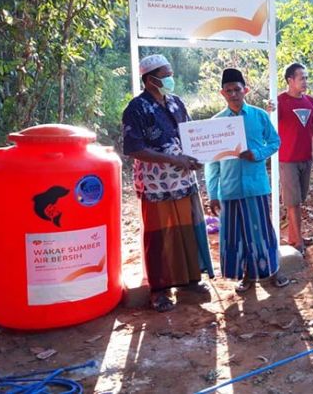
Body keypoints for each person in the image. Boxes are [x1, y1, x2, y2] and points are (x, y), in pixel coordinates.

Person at [122, 54, 214, 312]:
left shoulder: (176, 103)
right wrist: (171, 159)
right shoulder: (136, 109)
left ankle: (189, 282)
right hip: (155, 184)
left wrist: (196, 157)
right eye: (166, 75)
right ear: (150, 80)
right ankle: (160, 290)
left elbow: (190, 136)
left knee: (187, 229)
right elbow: (134, 149)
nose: (171, 79)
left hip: (184, 179)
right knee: (160, 235)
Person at [205, 68, 289, 293]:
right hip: (230, 190)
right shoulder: (216, 123)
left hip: (256, 187)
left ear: (246, 90)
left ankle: (273, 272)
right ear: (222, 93)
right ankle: (247, 276)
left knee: (262, 232)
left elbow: (274, 142)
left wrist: (257, 153)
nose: (233, 94)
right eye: (229, 90)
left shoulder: (259, 115)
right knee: (236, 236)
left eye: (237, 89)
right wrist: (213, 194)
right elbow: (212, 163)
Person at [277, 63, 313, 255]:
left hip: (305, 158)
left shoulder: (310, 101)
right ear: (290, 80)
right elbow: (269, 124)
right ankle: (298, 241)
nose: (305, 81)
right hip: (287, 159)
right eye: (302, 78)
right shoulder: (279, 102)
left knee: (300, 199)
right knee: (293, 201)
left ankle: (294, 236)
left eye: (306, 78)